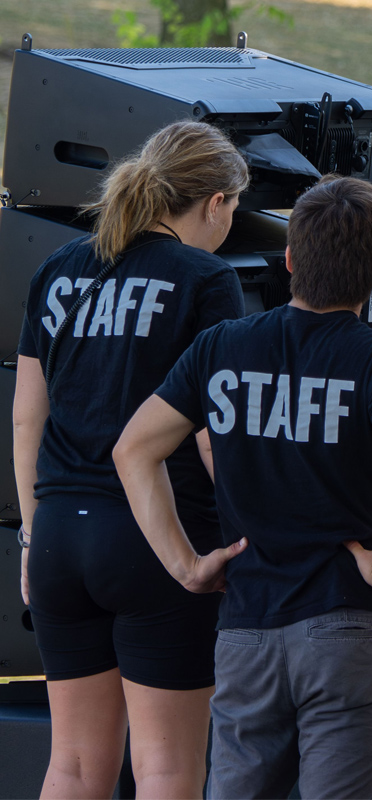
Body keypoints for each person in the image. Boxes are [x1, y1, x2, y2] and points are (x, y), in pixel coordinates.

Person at [113, 175, 372, 800]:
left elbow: (133, 448)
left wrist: (186, 565)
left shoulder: (221, 346)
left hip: (245, 634)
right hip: (345, 628)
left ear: (289, 260)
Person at [13, 120, 249, 799]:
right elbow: (213, 433)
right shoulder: (207, 279)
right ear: (216, 202)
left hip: (59, 534)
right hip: (158, 537)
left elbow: (29, 415)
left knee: (75, 766)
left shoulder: (56, 269)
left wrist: (32, 534)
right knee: (168, 769)